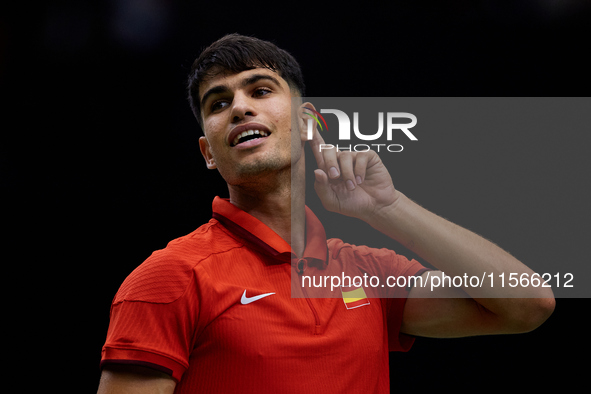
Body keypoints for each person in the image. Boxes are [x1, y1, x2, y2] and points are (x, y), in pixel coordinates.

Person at [97, 34, 555, 394]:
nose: (239, 107)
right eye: (218, 103)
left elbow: (526, 305)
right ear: (208, 153)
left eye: (260, 89)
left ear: (307, 123)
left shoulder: (367, 271)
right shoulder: (168, 278)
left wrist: (388, 208)